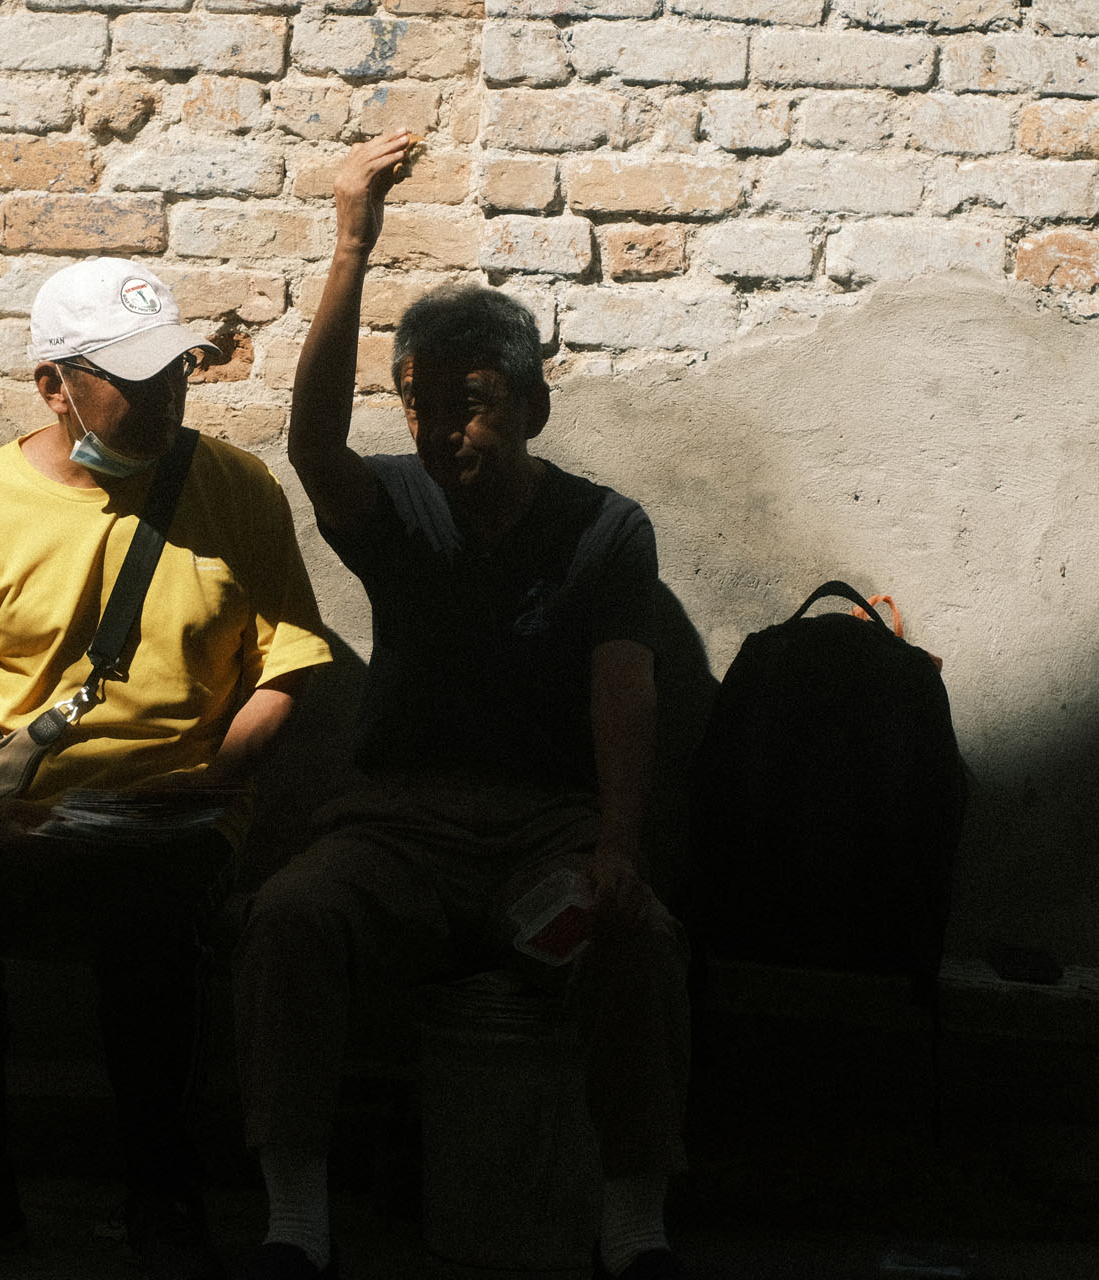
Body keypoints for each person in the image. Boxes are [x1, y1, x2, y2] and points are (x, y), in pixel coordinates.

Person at [232, 132, 692, 1280]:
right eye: (419, 404)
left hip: (548, 826)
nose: (443, 430)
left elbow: (623, 684)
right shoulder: (395, 506)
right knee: (290, 916)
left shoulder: (605, 528)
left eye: (473, 404)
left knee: (641, 939)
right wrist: (351, 242)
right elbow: (311, 443)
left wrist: (620, 845)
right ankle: (296, 1219)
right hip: (400, 826)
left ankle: (636, 1227)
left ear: (532, 404)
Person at [0, 257, 333, 1280]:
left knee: (153, 936)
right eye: (134, 378)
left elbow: (292, 663)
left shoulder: (235, 486)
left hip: (177, 811)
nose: (166, 398)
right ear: (54, 383)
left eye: (175, 374)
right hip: (15, 810)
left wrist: (219, 773)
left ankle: (162, 1193)